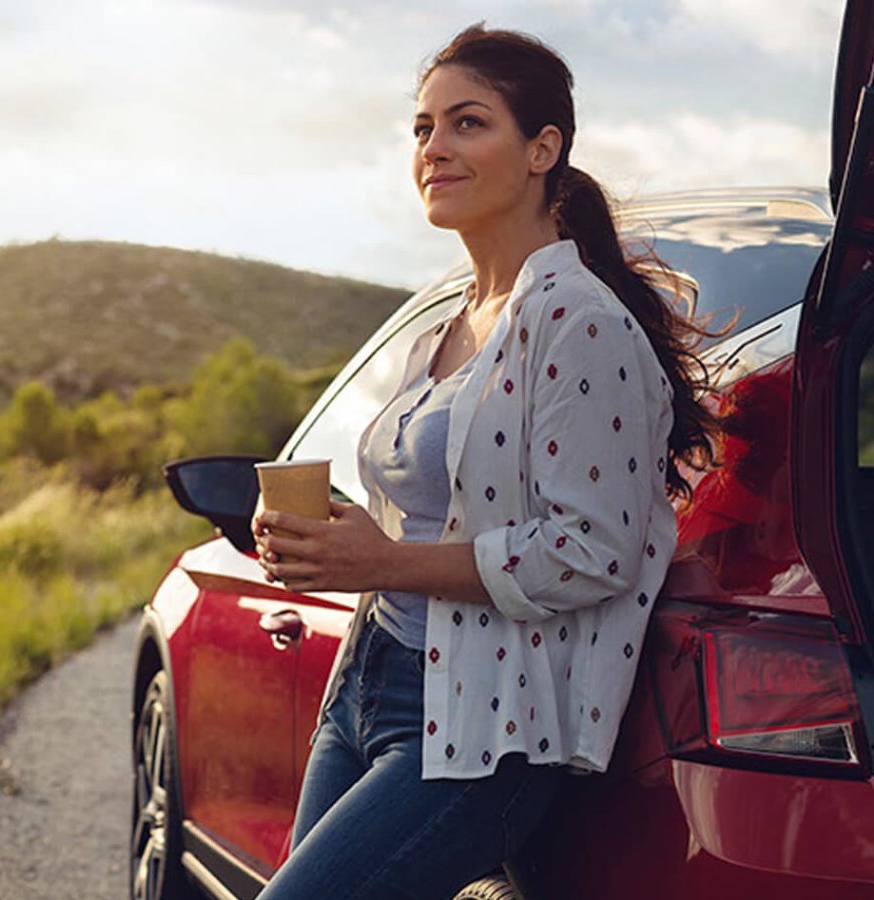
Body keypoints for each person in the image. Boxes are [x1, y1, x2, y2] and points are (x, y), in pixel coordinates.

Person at [250, 24, 721, 900]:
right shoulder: (443, 328)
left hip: (482, 730)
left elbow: (593, 550)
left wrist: (383, 561)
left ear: (544, 148)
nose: (435, 148)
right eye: (423, 129)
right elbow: (441, 510)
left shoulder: (581, 322)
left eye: (468, 123)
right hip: (370, 680)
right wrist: (336, 540)